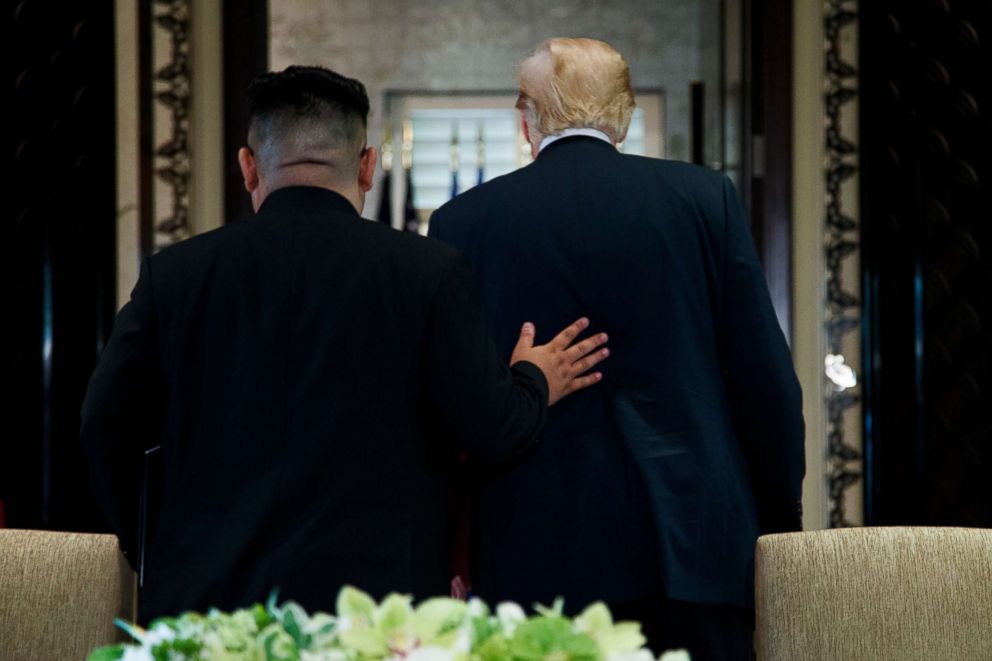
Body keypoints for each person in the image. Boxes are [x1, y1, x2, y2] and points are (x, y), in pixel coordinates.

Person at [79, 65, 610, 624]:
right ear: (367, 167)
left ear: (248, 167)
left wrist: (158, 549)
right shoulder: (427, 272)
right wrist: (534, 379)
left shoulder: (175, 276)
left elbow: (103, 426)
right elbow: (486, 428)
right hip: (378, 615)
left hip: (209, 601)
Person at [428, 38, 805, 660]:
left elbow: (455, 406)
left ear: (526, 121)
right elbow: (766, 381)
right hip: (692, 549)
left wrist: (453, 544)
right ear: (623, 115)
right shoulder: (704, 200)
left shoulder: (463, 222)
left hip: (531, 556)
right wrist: (777, 527)